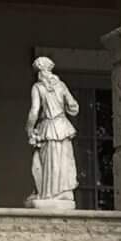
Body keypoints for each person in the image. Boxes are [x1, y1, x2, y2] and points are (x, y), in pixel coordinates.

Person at [27, 57, 80, 210]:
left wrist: (29, 129)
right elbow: (74, 107)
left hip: (48, 126)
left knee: (49, 160)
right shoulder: (61, 85)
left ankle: (48, 192)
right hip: (62, 125)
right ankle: (62, 191)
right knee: (62, 159)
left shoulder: (38, 87)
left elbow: (34, 111)